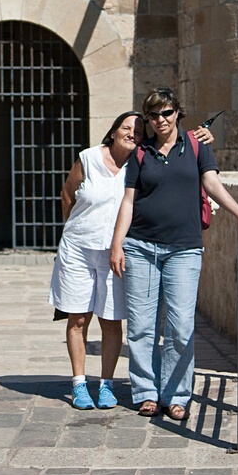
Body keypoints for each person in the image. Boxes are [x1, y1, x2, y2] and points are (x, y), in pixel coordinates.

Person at [109, 87, 238, 421]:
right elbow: (128, 201)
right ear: (147, 118)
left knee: (180, 326)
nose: (160, 120)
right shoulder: (141, 152)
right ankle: (147, 393)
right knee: (141, 327)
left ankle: (176, 394)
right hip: (140, 247)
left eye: (166, 113)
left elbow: (212, 185)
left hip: (184, 249)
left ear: (178, 112)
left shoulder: (196, 146)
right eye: (153, 115)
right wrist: (117, 244)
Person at [49, 110, 214, 410]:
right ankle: (79, 384)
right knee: (78, 318)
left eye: (137, 131)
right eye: (125, 128)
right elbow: (67, 196)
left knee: (112, 321)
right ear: (113, 131)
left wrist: (200, 137)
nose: (131, 134)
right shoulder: (88, 159)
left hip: (118, 254)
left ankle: (107, 385)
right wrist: (77, 231)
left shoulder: (143, 160)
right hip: (79, 250)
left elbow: (179, 154)